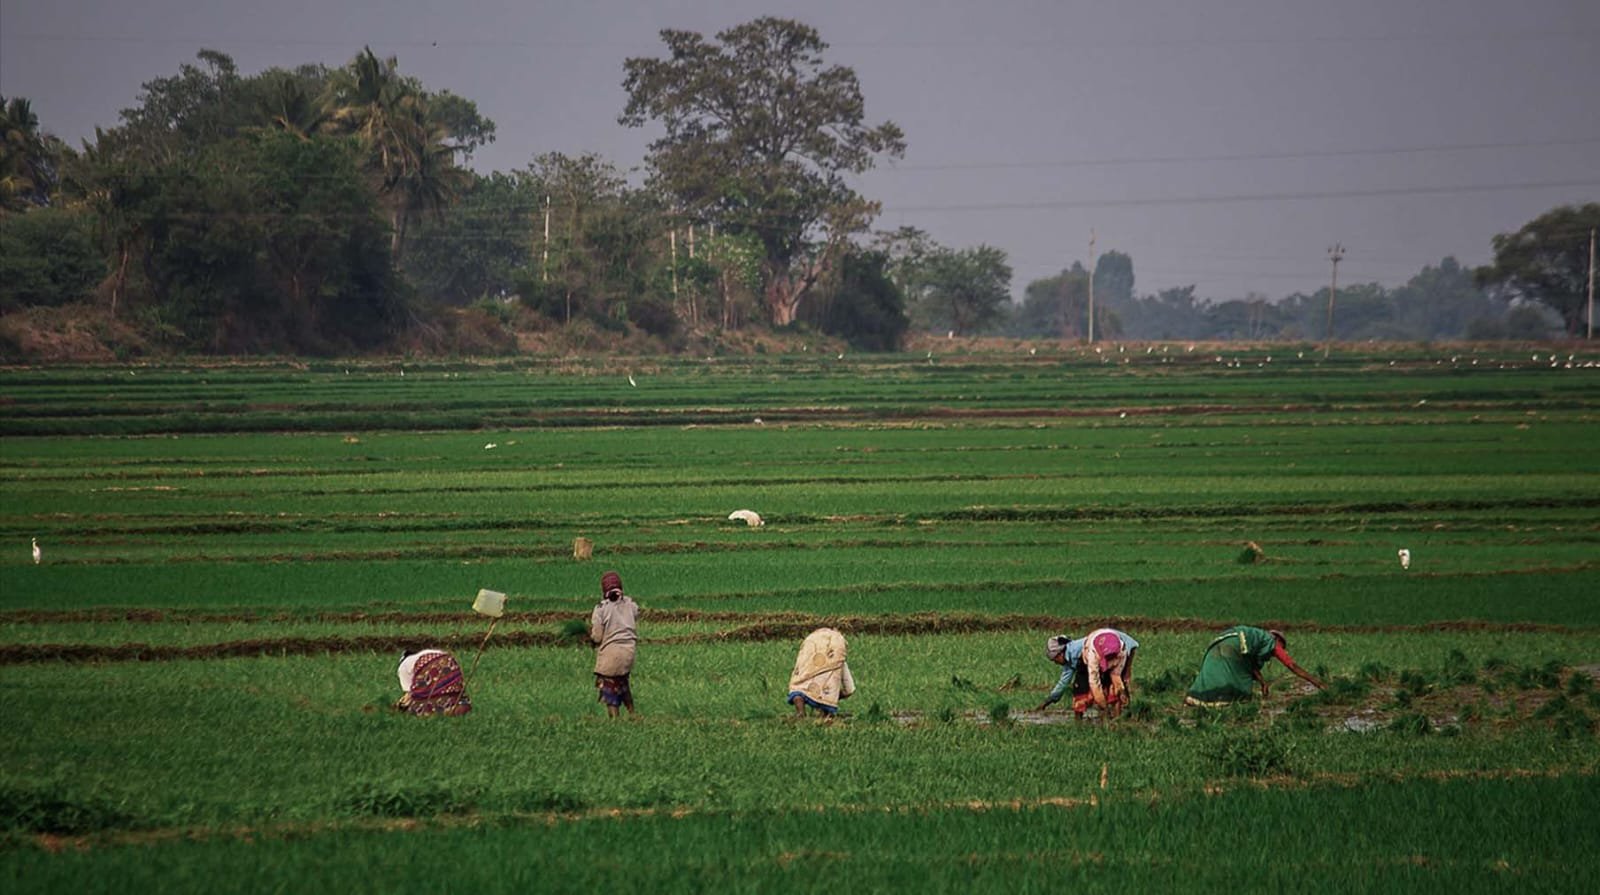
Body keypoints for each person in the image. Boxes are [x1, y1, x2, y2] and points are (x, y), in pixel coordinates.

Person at [1185, 625, 1325, 707]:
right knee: (1239, 680)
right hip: (1234, 646)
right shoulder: (1271, 642)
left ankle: (1196, 698)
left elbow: (1250, 665)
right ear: (1277, 640)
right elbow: (1292, 666)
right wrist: (1317, 683)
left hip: (1217, 644)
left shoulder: (1253, 639)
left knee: (1215, 673)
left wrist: (1262, 683)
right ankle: (1227, 701)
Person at [1036, 627, 1140, 718]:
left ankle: (1116, 717)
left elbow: (1096, 681)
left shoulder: (1082, 650)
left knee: (1105, 688)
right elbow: (1063, 683)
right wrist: (1048, 701)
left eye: (1055, 660)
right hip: (1105, 657)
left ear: (1060, 654)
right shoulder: (1070, 660)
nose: (1055, 663)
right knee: (1094, 688)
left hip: (1115, 653)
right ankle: (1110, 716)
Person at [589, 570, 639, 718]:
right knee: (623, 683)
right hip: (628, 653)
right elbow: (636, 613)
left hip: (611, 655)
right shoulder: (630, 604)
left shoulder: (601, 609)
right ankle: (632, 714)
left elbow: (597, 637)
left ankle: (615, 721)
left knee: (609, 688)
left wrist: (591, 639)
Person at [787, 627, 855, 718]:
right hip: (827, 688)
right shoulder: (838, 661)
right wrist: (833, 695)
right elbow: (849, 689)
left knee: (799, 687)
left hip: (808, 672)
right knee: (828, 689)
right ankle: (825, 709)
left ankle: (800, 711)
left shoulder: (807, 656)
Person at [394, 647, 472, 716]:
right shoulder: (428, 652)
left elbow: (409, 693)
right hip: (448, 662)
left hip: (430, 666)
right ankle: (456, 704)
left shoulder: (403, 666)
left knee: (419, 701)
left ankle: (435, 709)